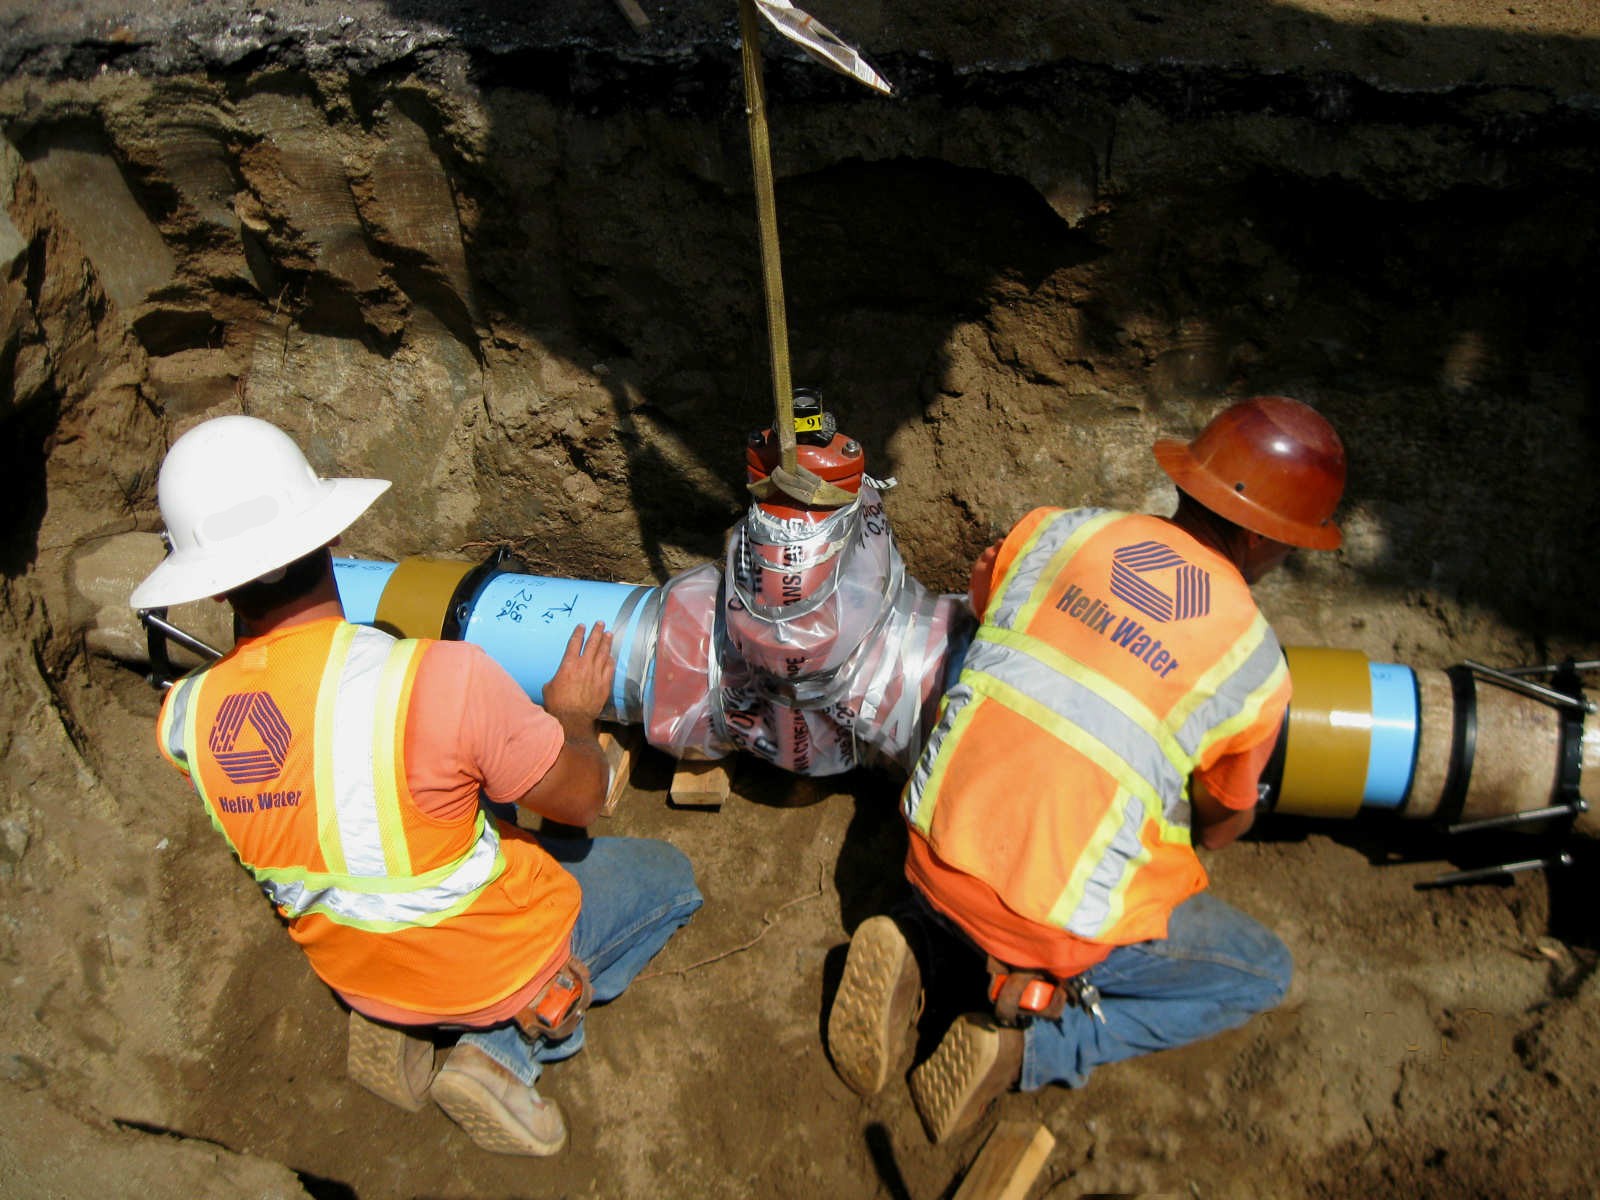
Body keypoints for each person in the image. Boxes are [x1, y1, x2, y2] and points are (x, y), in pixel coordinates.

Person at [132, 415, 702, 1157]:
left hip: (356, 968)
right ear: (329, 538)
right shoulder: (436, 681)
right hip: (485, 960)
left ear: (214, 589)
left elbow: (322, 782)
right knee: (671, 878)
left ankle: (399, 1024)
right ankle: (506, 1047)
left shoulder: (183, 719)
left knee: (449, 793)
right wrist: (569, 714)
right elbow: (583, 798)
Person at [826, 396, 1345, 1143]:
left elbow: (983, 606)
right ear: (1269, 543)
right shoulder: (1255, 665)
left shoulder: (1057, 531)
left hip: (933, 841)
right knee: (1261, 972)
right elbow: (1222, 827)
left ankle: (923, 936)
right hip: (1055, 920)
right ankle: (1030, 1042)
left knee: (988, 647)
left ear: (1189, 481)